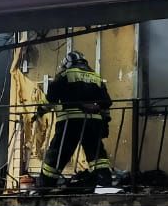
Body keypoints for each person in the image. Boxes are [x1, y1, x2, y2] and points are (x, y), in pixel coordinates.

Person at [38, 51, 113, 188]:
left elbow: (50, 99)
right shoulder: (96, 76)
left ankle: (45, 184)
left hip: (70, 122)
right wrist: (105, 122)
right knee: (96, 154)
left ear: (68, 63)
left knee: (58, 153)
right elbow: (106, 102)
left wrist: (40, 111)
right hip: (93, 122)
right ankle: (104, 181)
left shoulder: (65, 75)